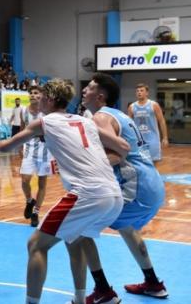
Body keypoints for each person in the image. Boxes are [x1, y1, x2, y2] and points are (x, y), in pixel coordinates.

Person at [0, 79, 128, 304]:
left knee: (35, 244)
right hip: (113, 194)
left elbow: (7, 146)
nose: (39, 100)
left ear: (51, 99)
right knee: (73, 240)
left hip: (88, 194)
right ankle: (81, 299)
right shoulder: (87, 122)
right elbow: (124, 147)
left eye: (43, 96)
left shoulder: (44, 122)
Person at [80, 73, 167, 301]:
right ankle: (153, 283)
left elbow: (118, 155)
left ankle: (103, 291)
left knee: (79, 227)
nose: (83, 91)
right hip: (152, 183)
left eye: (88, 87)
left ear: (100, 96)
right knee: (127, 228)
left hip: (137, 185)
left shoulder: (99, 117)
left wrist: (82, 167)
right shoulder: (118, 113)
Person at [19, 86, 53, 227]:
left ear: (41, 96)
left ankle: (36, 213)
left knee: (42, 184)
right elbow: (22, 129)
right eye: (31, 93)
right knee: (25, 180)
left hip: (45, 150)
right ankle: (29, 201)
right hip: (29, 149)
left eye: (36, 93)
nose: (33, 95)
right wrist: (20, 145)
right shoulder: (23, 111)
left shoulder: (47, 112)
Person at [128, 84, 168, 162]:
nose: (139, 92)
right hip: (138, 140)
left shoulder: (154, 105)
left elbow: (162, 121)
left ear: (147, 93)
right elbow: (129, 124)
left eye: (142, 90)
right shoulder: (132, 107)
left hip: (153, 139)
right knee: (140, 163)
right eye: (137, 91)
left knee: (154, 162)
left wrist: (165, 137)